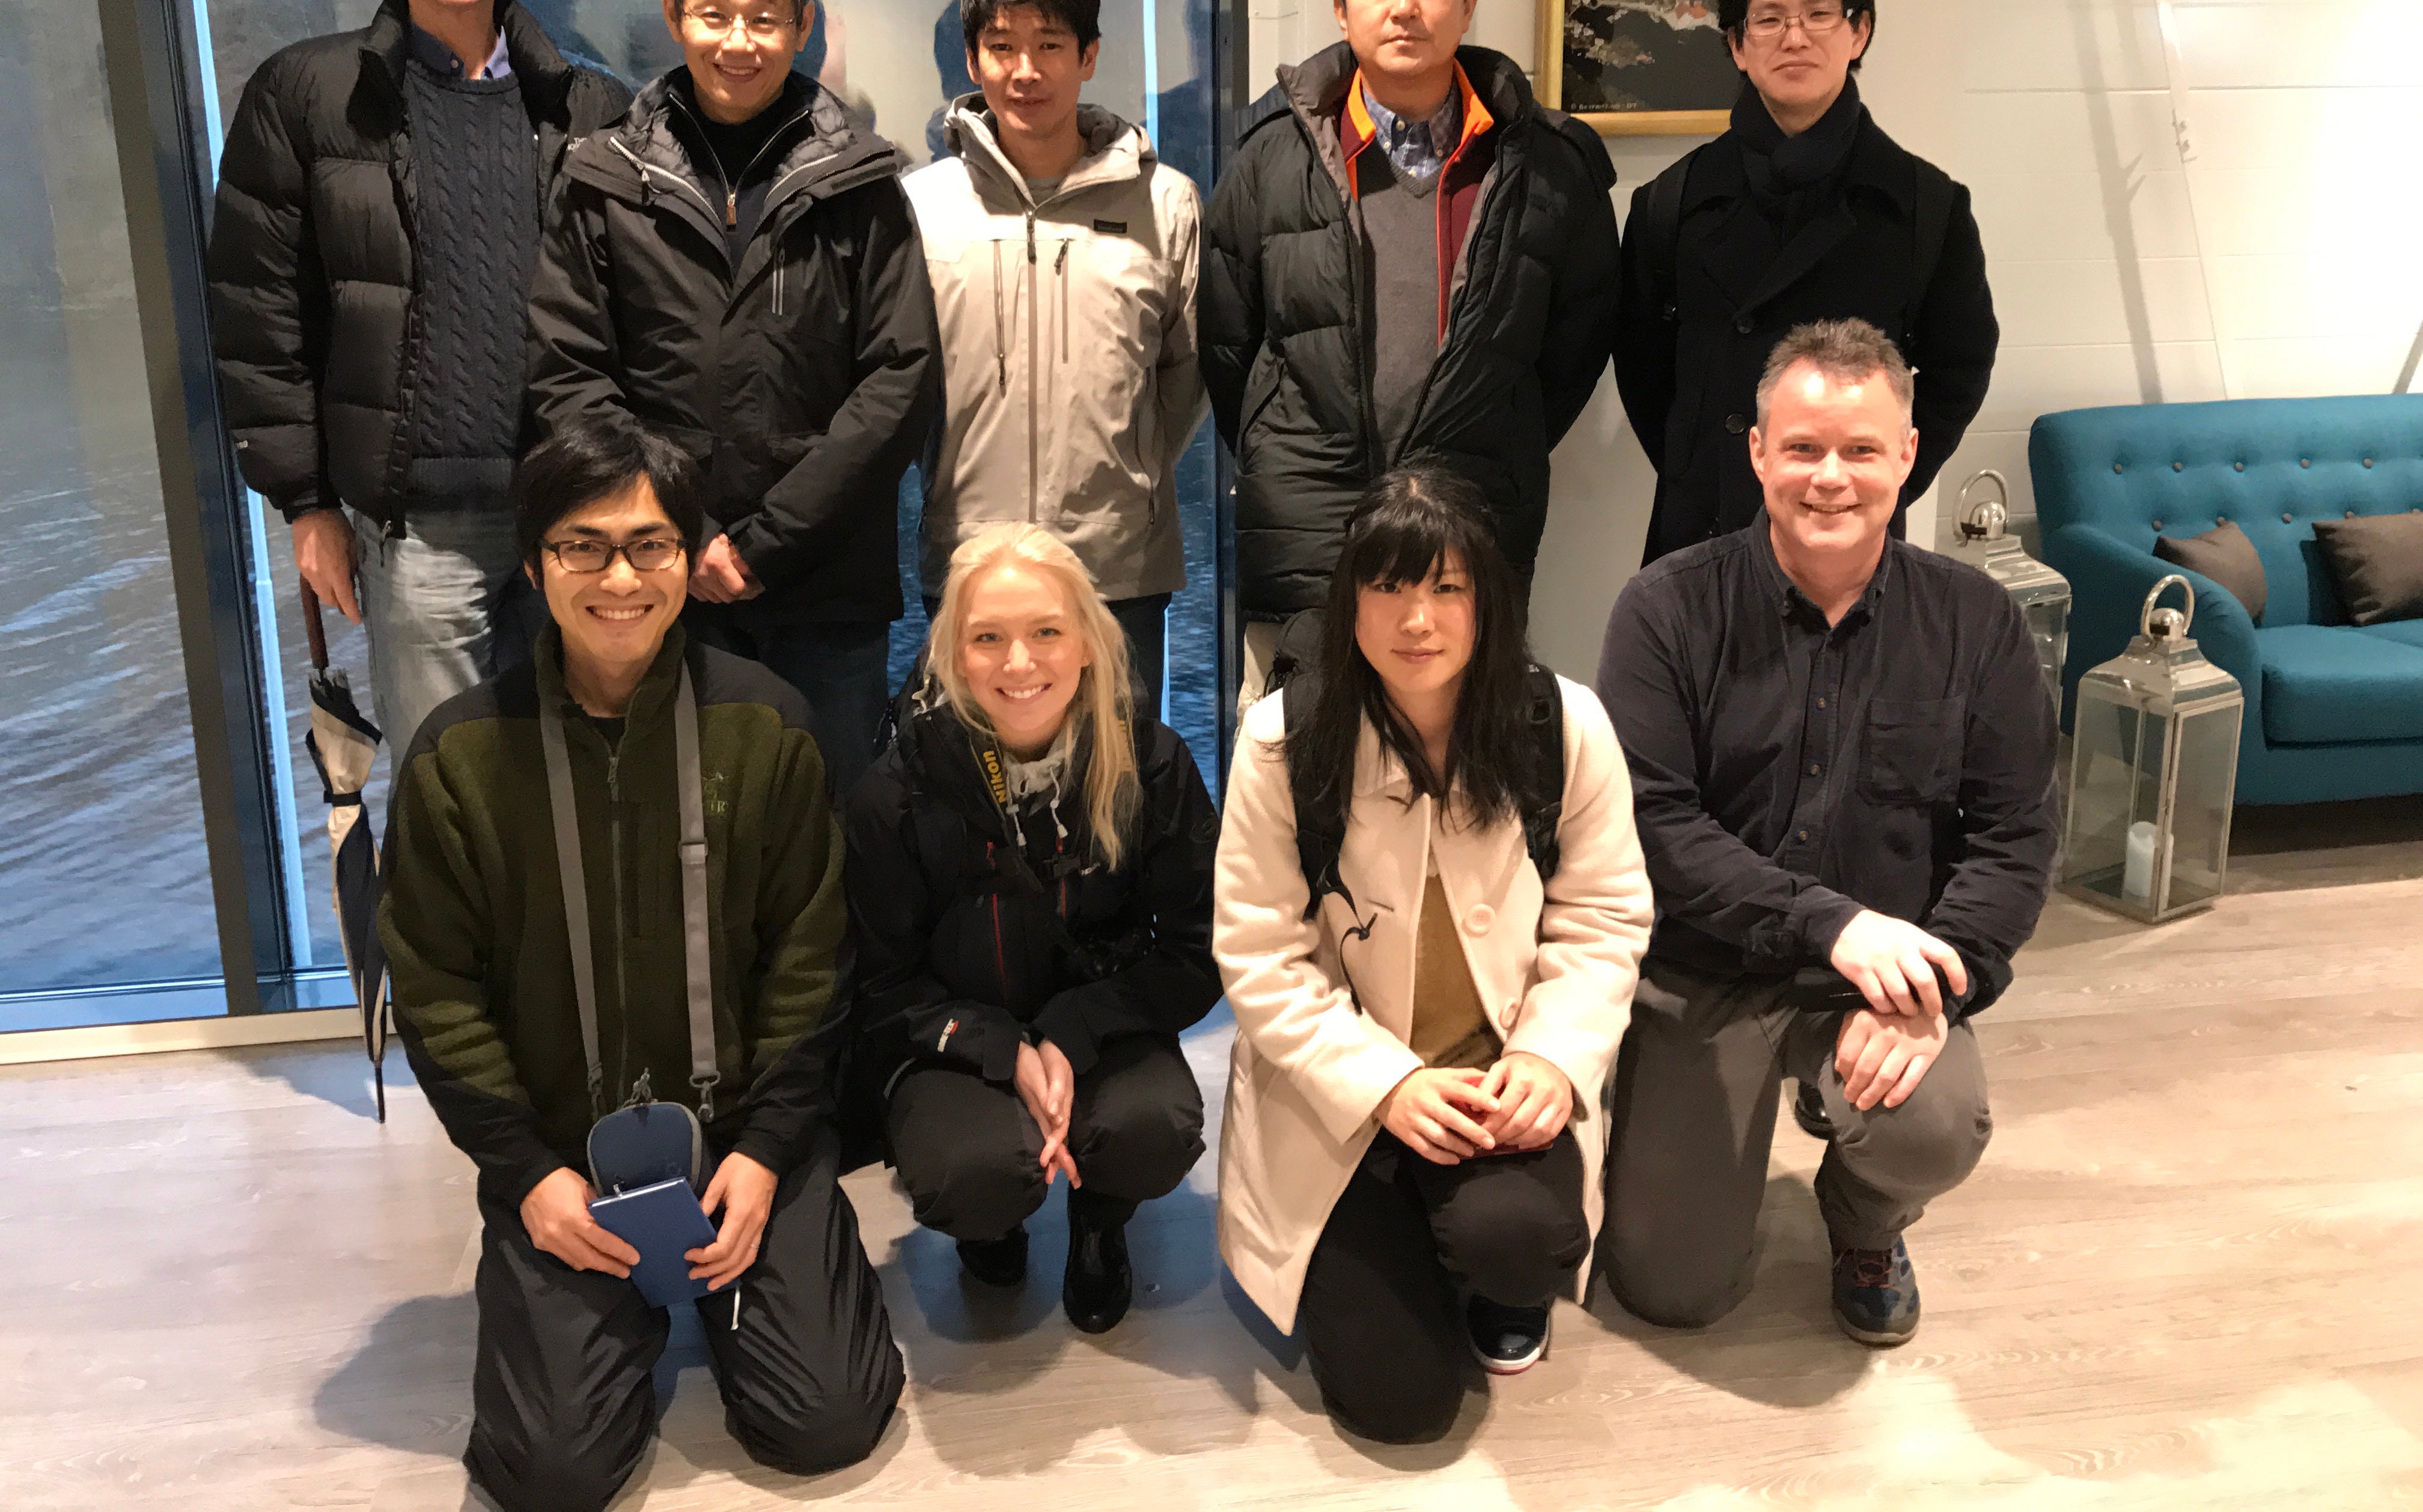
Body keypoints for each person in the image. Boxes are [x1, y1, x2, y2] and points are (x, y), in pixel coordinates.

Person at [380, 416, 904, 1510]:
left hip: (747, 1139)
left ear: (689, 556)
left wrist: (765, 1151)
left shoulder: (768, 727)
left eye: (650, 544)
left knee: (827, 1423)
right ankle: (585, 1297)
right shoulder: (460, 756)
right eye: (582, 545)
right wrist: (527, 1173)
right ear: (533, 562)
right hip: (567, 1157)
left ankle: (761, 1265)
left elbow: (815, 960)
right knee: (551, 1474)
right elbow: (435, 991)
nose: (619, 576)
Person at [1594, 319, 2056, 1347]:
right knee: (1670, 1287)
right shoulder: (1662, 612)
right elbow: (1651, 822)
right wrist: (1830, 921)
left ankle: (1865, 1219)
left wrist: (1945, 982)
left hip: (1883, 978)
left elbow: (2016, 836)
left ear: (1907, 454)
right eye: (1801, 446)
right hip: (1706, 964)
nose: (1829, 477)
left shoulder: (1977, 622)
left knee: (1933, 1123)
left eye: (1859, 449)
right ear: (1757, 452)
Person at [1214, 466, 1653, 1443]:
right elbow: (1260, 954)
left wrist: (1548, 1054)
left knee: (1521, 1239)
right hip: (1346, 1092)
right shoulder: (1283, 742)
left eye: (1447, 586)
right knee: (1400, 1407)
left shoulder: (1562, 724)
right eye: (1389, 586)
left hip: (1494, 1075)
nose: (1418, 617)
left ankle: (1488, 1270)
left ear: (1487, 599)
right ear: (1350, 603)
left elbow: (1604, 914)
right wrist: (1385, 1084)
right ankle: (1399, 1232)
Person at [208, 0, 629, 757]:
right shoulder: (309, 94)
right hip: (419, 531)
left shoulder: (589, 107)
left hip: (577, 509)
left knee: (594, 770)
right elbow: (258, 310)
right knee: (453, 788)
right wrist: (306, 504)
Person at [528, 0, 940, 802]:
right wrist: (690, 537)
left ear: (801, 26)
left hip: (826, 584)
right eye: (715, 14)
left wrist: (763, 546)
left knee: (833, 826)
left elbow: (901, 380)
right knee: (680, 820)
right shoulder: (603, 181)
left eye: (764, 17)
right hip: (654, 579)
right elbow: (570, 376)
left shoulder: (863, 184)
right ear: (675, 15)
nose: (739, 41)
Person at [1200, 0, 1621, 702]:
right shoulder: (1267, 160)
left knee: (1463, 778)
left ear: (1468, 0)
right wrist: (1278, 441)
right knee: (1300, 786)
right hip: (1308, 527)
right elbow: (1228, 344)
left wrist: (1491, 426)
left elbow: (1577, 340)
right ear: (1339, 5)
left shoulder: (1547, 165)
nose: (1405, 7)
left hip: (1472, 527)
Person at [846, 522, 1220, 1334]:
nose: (1019, 664)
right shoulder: (893, 795)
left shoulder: (1152, 764)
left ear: (1087, 642)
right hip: (958, 1036)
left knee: (1154, 1129)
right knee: (970, 1173)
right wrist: (1001, 1049)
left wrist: (1070, 1033)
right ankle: (995, 1223)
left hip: (1101, 1017)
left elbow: (1197, 954)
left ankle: (1100, 1224)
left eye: (1046, 632)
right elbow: (880, 988)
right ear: (952, 653)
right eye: (989, 638)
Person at [1613, 0, 1999, 564]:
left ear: (1860, 32)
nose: (1794, 37)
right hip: (1702, 536)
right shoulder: (1669, 204)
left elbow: (1958, 371)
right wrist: (1704, 465)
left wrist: (1870, 482)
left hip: (1850, 541)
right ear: (1737, 45)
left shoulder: (1925, 209)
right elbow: (1643, 373)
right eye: (1768, 19)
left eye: (1819, 13)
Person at [904, 0, 1204, 704]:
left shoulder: (1163, 203)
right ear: (973, 61)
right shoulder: (922, 208)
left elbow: (1187, 372)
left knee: (1121, 794)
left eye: (1049, 45)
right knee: (975, 799)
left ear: (1090, 55)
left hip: (1118, 572)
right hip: (970, 566)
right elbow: (898, 376)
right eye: (1001, 47)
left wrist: (1131, 467)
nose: (1026, 71)